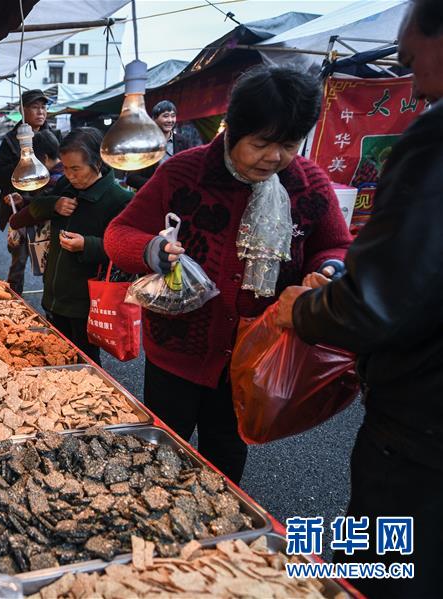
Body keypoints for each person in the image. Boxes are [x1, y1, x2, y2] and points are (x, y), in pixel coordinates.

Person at [103, 66, 352, 484]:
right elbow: (118, 233)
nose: (274, 157)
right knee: (159, 458)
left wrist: (328, 268)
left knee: (225, 459)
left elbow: (336, 245)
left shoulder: (309, 184)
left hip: (253, 357)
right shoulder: (184, 172)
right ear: (233, 129)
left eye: (288, 145)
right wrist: (151, 250)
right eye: (261, 144)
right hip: (176, 353)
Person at [275, 2, 442, 594]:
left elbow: (374, 300)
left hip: (420, 431)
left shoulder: (435, 139)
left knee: (382, 570)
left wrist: (304, 307)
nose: (410, 82)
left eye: (410, 59)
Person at [23, 127, 132, 365]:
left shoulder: (118, 199)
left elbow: (125, 251)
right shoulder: (65, 186)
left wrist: (87, 245)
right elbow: (34, 209)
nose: (70, 175)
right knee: (54, 355)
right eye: (65, 168)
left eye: (76, 169)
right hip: (54, 292)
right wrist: (54, 204)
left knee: (85, 361)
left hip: (86, 302)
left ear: (97, 163)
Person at [0, 89, 60, 293]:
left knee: (50, 259)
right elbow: (1, 176)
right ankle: (15, 296)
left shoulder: (53, 136)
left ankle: (51, 298)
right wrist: (25, 166)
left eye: (43, 107)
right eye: (35, 107)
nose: (41, 112)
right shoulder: (10, 140)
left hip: (47, 208)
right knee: (19, 258)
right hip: (20, 209)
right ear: (23, 111)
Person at [125, 100, 202, 190]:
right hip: (152, 195)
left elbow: (191, 171)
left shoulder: (184, 142)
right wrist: (158, 186)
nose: (170, 120)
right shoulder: (143, 144)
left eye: (173, 116)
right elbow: (131, 178)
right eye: (165, 116)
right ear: (154, 119)